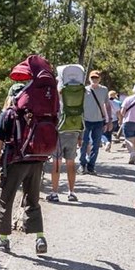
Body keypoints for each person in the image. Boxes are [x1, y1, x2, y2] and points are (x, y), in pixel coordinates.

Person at [0, 55, 55, 255]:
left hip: (15, 161)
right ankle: (40, 238)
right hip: (37, 159)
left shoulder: (8, 114)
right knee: (33, 199)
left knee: (6, 199)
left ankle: (3, 239)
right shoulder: (37, 113)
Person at [50, 64, 86, 203]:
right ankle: (72, 192)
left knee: (57, 163)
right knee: (71, 163)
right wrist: (81, 135)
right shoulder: (80, 91)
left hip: (59, 130)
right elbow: (83, 113)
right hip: (74, 129)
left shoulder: (59, 92)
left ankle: (54, 193)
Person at [81, 69, 111, 173]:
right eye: (93, 78)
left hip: (99, 121)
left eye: (96, 78)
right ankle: (82, 164)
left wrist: (109, 120)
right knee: (84, 143)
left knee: (96, 144)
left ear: (100, 79)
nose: (94, 79)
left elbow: (107, 106)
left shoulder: (104, 90)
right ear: (89, 79)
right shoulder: (84, 90)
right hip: (85, 120)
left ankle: (91, 165)